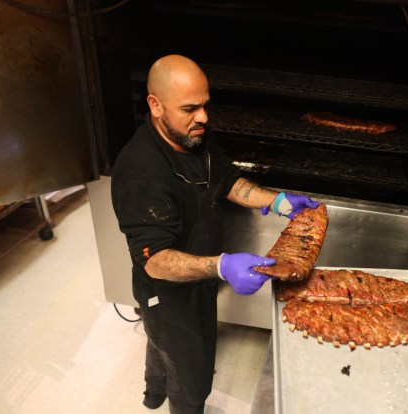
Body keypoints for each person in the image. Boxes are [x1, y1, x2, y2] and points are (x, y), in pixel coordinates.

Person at [110, 54, 319, 413]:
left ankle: (152, 393)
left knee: (161, 344)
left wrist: (277, 201)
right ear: (155, 105)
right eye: (190, 108)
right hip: (168, 293)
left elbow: (226, 179)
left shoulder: (192, 135)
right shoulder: (140, 171)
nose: (204, 117)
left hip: (198, 281)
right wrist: (222, 266)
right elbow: (155, 261)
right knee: (192, 378)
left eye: (205, 105)